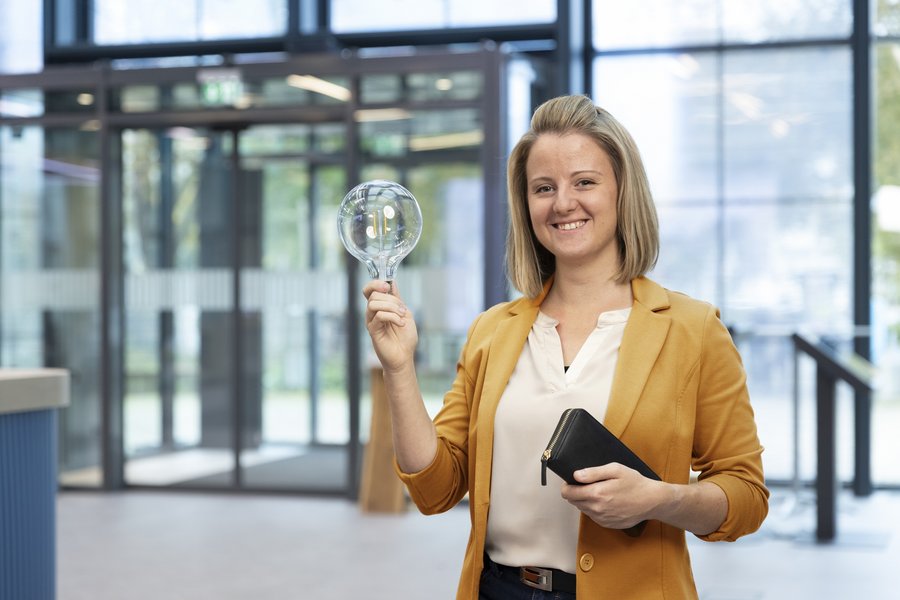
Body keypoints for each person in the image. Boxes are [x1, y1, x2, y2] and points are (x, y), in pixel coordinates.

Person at [362, 94, 768, 599]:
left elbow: (746, 496)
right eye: (543, 188)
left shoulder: (693, 329)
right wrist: (399, 368)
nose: (562, 203)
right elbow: (435, 488)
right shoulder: (492, 331)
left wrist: (659, 499)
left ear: (623, 191)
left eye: (584, 182)